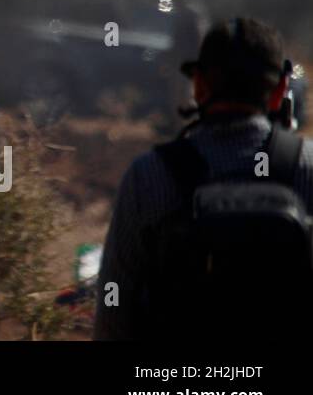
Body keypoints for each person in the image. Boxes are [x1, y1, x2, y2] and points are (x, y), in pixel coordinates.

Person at [94, 17, 313, 340]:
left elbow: (115, 305)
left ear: (198, 86)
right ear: (280, 90)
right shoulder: (308, 165)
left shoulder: (149, 175)